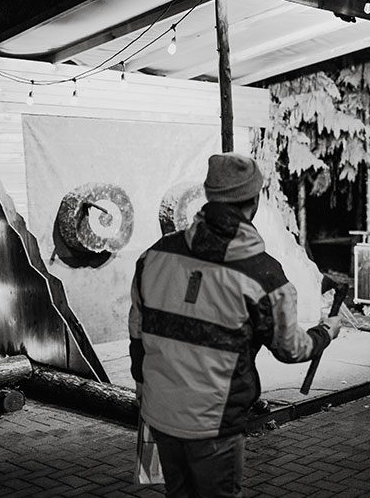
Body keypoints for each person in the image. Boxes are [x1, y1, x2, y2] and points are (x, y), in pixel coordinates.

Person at [128, 152, 342, 497]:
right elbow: (291, 349)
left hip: (159, 415)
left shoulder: (153, 257)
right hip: (214, 425)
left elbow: (137, 331)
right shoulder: (264, 276)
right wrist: (325, 333)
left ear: (210, 196)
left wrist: (141, 380)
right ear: (254, 201)